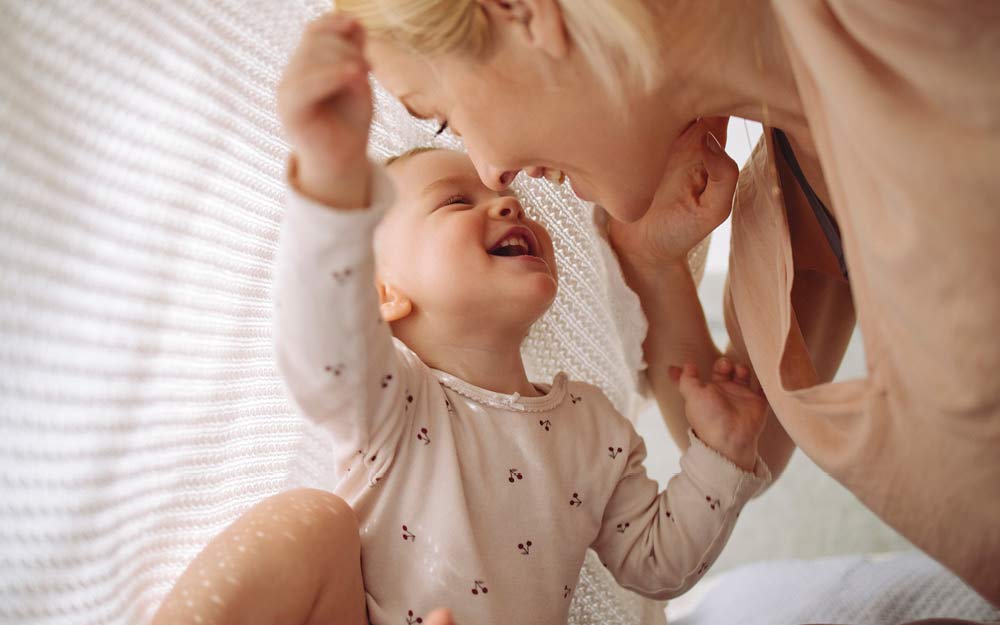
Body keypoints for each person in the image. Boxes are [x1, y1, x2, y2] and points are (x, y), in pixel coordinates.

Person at [333, 0, 1000, 605]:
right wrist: (652, 263)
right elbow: (750, 437)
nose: (492, 172)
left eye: (446, 115)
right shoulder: (785, 195)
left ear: (521, 13)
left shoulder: (911, 27)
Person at [149, 18, 771, 625]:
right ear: (383, 295)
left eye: (513, 203)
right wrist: (331, 178)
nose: (505, 201)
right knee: (308, 522)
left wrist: (723, 453)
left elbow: (655, 565)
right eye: (454, 201)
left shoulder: (592, 424)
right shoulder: (393, 402)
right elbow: (324, 349)